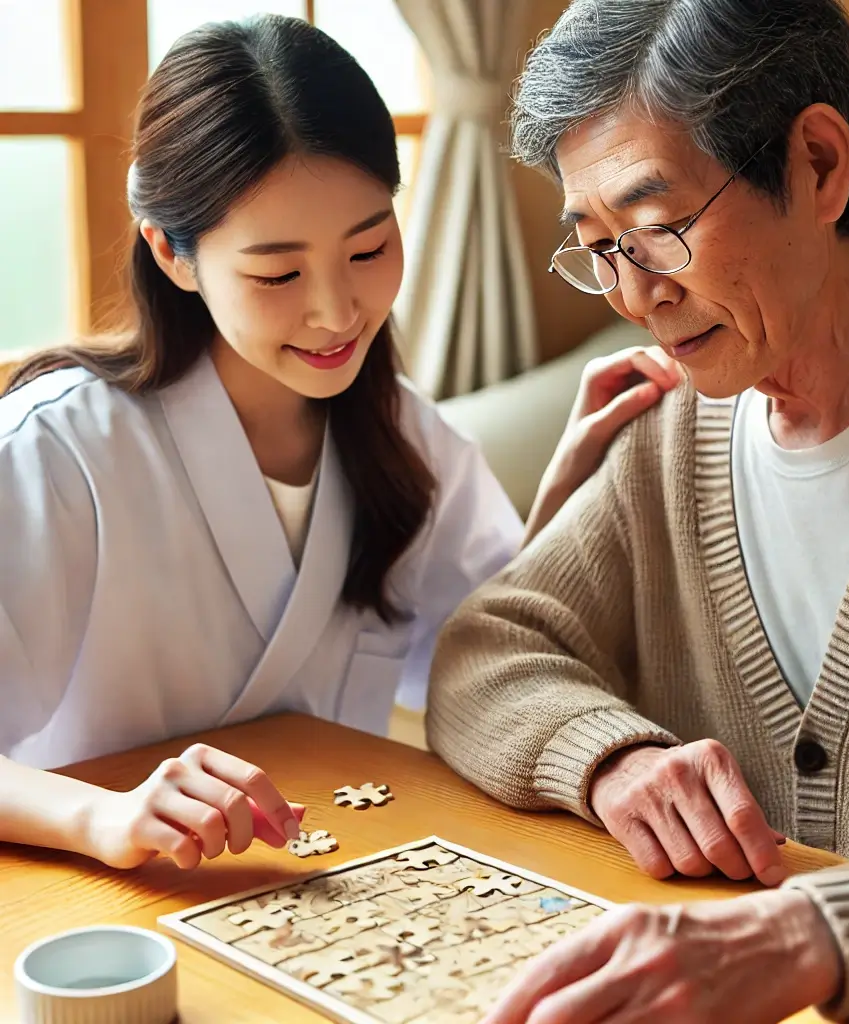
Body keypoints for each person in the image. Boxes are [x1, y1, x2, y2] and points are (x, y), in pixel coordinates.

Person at [427, 0, 849, 1020]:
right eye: (598, 246)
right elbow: (486, 652)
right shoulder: (665, 429)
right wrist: (613, 759)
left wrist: (807, 935)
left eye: (657, 230)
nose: (632, 296)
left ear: (819, 165)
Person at [0, 15, 681, 874]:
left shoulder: (409, 441)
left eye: (368, 248)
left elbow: (489, 653)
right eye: (278, 273)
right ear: (172, 254)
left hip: (336, 881)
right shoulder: (55, 450)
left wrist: (570, 491)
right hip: (100, 896)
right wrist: (104, 817)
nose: (336, 312)